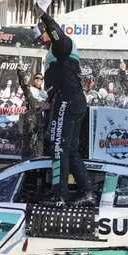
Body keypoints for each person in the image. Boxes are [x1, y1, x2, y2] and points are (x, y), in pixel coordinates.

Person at [33, 12, 94, 207]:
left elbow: (55, 31)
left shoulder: (62, 46)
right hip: (73, 101)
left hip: (67, 102)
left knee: (59, 148)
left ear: (48, 33)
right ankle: (87, 192)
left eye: (40, 37)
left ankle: (58, 195)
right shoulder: (57, 50)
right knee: (71, 151)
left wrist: (43, 15)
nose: (40, 43)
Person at [17, 69, 47, 158]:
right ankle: (25, 161)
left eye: (41, 79)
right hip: (30, 116)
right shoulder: (29, 88)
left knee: (40, 141)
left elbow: (49, 104)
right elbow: (23, 86)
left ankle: (39, 160)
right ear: (33, 79)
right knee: (28, 139)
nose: (39, 80)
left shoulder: (45, 93)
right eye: (37, 78)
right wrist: (22, 78)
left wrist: (45, 106)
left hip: (40, 118)